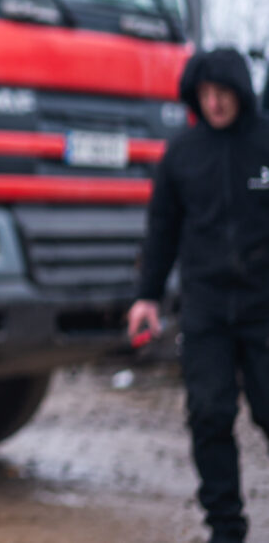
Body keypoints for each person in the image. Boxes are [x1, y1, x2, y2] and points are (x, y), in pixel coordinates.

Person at [129, 47, 269, 543]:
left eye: (223, 93)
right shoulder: (182, 155)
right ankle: (226, 529)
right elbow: (162, 230)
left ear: (240, 93)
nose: (215, 103)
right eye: (206, 94)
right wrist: (146, 297)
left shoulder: (265, 144)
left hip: (263, 306)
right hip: (206, 308)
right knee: (209, 415)